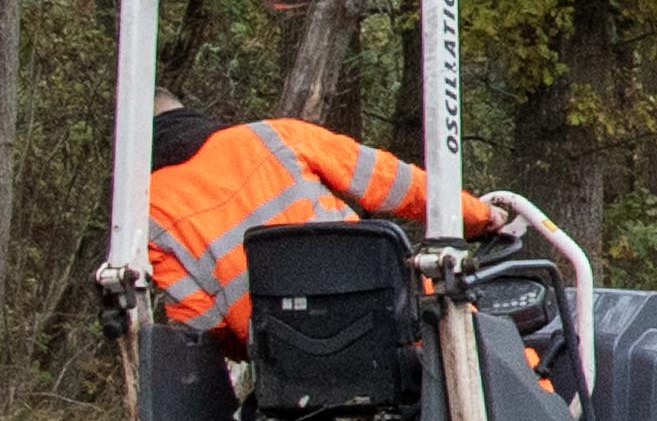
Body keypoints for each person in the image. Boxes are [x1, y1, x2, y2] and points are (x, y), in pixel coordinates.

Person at [128, 101, 438, 346]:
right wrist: (481, 217)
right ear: (186, 113)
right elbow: (394, 182)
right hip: (409, 334)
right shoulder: (273, 136)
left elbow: (202, 323)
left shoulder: (148, 214)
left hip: (288, 379)